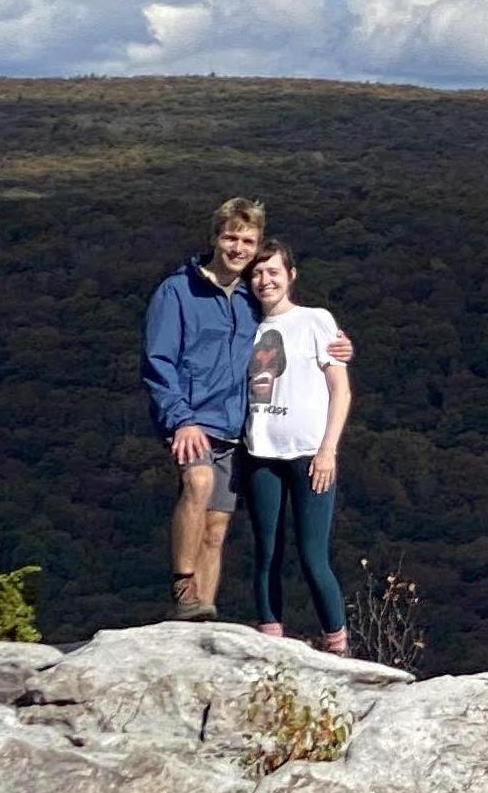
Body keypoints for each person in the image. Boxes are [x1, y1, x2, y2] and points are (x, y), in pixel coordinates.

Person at [139, 199, 347, 621]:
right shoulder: (178, 291)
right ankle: (183, 591)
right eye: (230, 236)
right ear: (215, 237)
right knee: (196, 483)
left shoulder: (252, 299)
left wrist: (339, 347)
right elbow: (158, 360)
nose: (238, 247)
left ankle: (203, 614)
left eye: (247, 240)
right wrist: (180, 419)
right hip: (191, 421)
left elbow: (288, 329)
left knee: (216, 531)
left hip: (238, 429)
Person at [237, 242, 352, 651]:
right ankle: (271, 643)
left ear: (291, 274)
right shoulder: (244, 323)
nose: (264, 281)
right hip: (259, 452)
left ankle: (337, 646)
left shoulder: (315, 321)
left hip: (308, 455)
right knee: (266, 552)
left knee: (311, 556)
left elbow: (340, 389)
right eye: (257, 273)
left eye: (272, 272)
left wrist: (328, 450)